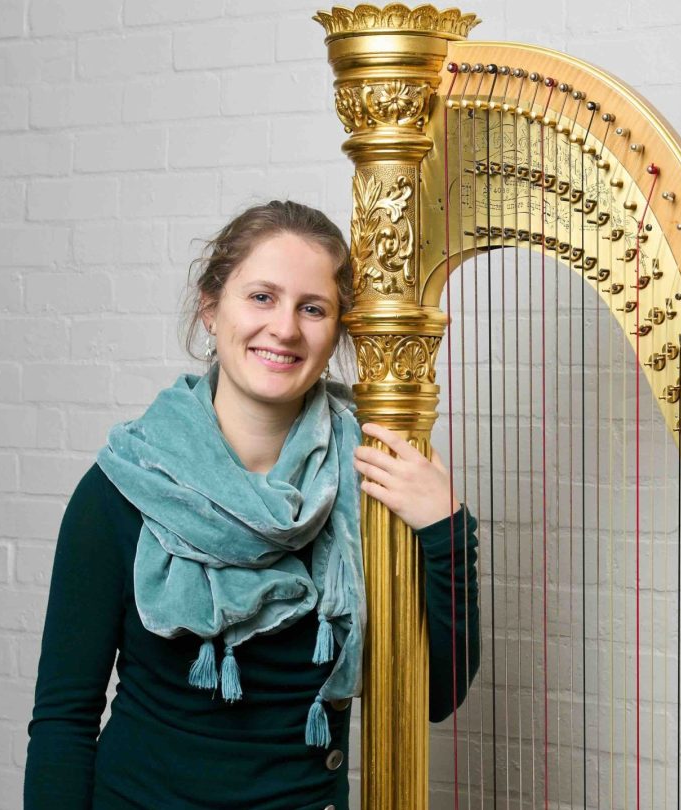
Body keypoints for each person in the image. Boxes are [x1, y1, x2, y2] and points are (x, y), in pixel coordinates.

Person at [24, 200, 480, 810]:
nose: (285, 329)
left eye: (312, 308)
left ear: (338, 330)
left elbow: (436, 696)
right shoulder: (126, 484)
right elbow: (64, 719)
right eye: (262, 297)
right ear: (212, 309)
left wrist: (447, 530)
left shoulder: (371, 480)